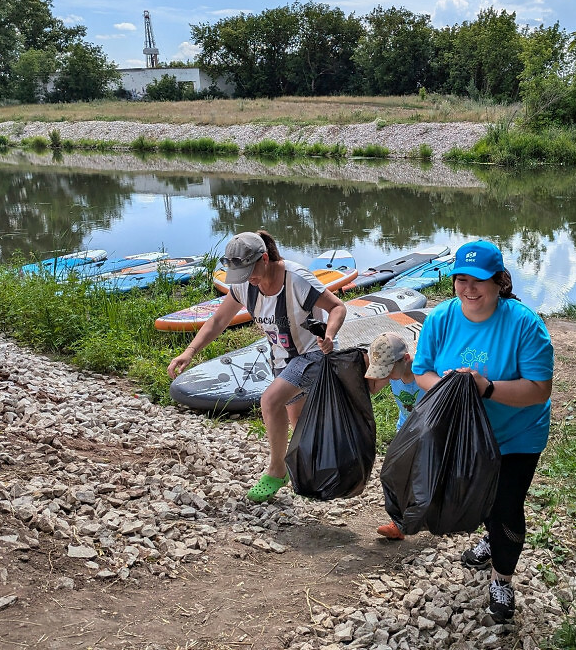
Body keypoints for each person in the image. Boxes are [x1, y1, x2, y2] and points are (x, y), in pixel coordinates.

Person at [411, 240, 553, 624]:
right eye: (461, 279)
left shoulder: (524, 324)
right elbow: (420, 371)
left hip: (517, 433)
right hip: (463, 430)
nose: (469, 288)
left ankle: (502, 578)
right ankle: (490, 536)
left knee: (506, 505)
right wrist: (450, 386)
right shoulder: (440, 319)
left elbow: (540, 389)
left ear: (499, 282)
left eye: (479, 280)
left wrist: (485, 387)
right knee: (478, 496)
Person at [167, 231, 346, 503]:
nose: (247, 279)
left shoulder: (296, 279)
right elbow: (218, 321)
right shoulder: (244, 285)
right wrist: (190, 352)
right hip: (281, 359)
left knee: (270, 401)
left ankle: (277, 470)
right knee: (298, 422)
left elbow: (338, 308)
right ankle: (319, 470)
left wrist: (330, 334)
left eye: (250, 272)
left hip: (312, 355)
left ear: (264, 259)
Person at [363, 332, 425, 541]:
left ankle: (442, 514)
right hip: (405, 430)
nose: (386, 375)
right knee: (391, 473)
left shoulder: (423, 371)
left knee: (424, 476)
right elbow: (371, 388)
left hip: (429, 433)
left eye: (389, 370)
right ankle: (399, 524)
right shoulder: (393, 372)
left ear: (406, 359)